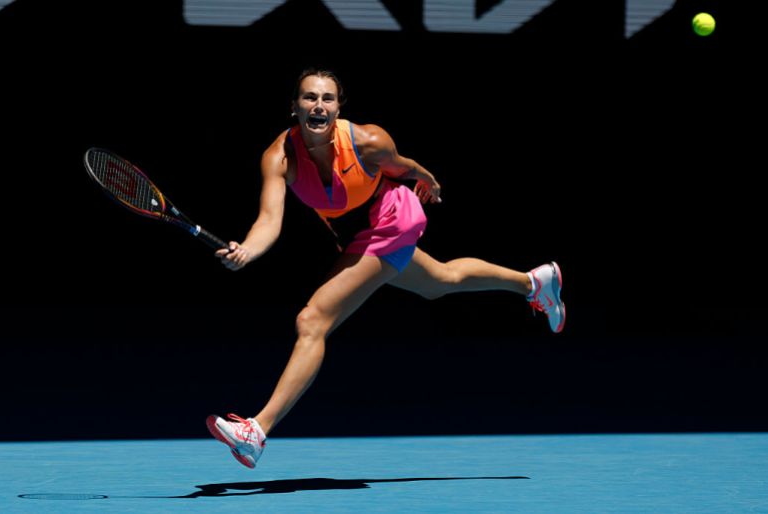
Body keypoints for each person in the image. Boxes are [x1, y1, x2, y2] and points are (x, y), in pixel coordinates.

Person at [205, 68, 565, 469]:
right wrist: (247, 250)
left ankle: (258, 430)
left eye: (327, 98)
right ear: (294, 107)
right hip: (359, 236)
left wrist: (428, 179)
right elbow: (269, 220)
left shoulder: (367, 140)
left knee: (313, 319)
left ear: (339, 107)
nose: (318, 106)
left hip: (391, 220)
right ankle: (534, 283)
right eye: (309, 98)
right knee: (440, 281)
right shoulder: (279, 157)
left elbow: (404, 165)